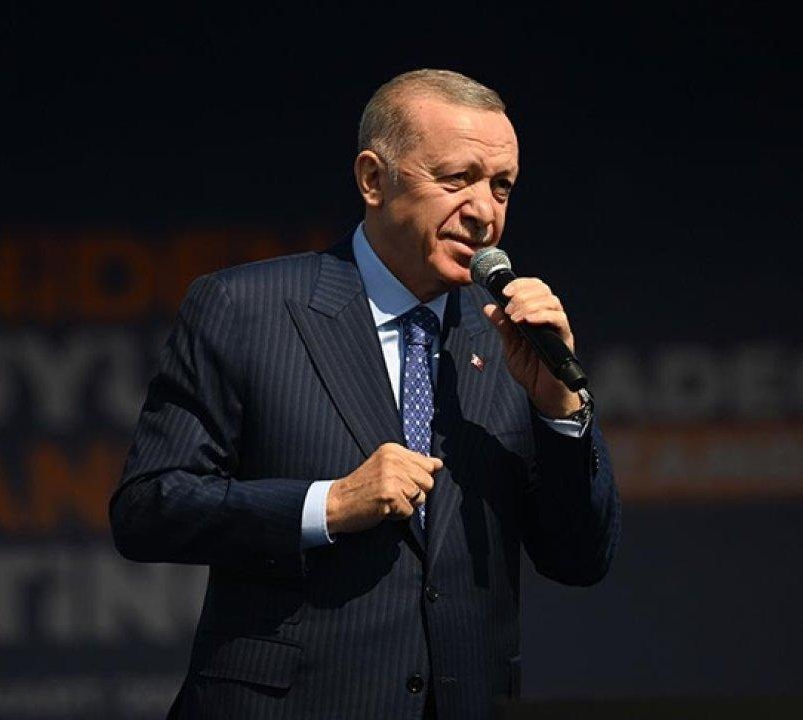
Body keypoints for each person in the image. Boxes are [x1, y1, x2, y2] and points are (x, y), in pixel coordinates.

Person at [110, 69, 620, 720]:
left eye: (502, 186)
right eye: (456, 179)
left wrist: (560, 411)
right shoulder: (244, 308)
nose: (485, 212)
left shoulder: (512, 338)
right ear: (374, 180)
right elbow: (148, 509)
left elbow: (580, 559)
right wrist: (328, 504)